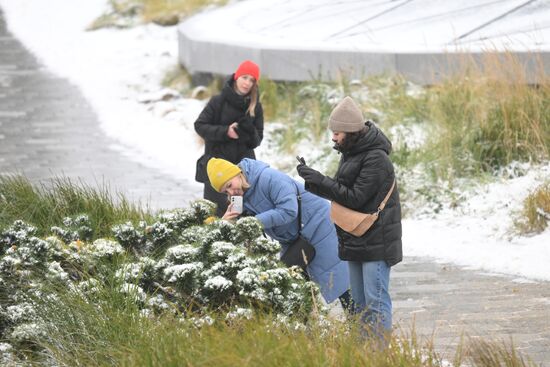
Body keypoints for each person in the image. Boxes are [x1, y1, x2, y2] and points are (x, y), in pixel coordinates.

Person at [296, 96, 402, 343]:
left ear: (351, 131)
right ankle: (362, 351)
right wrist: (313, 180)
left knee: (376, 301)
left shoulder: (376, 158)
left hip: (376, 239)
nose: (333, 137)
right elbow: (341, 192)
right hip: (354, 237)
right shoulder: (351, 153)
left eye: (337, 132)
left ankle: (379, 355)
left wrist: (319, 180)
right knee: (360, 303)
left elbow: (355, 198)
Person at [206, 157, 352, 309]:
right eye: (225, 191)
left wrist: (253, 222)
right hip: (295, 240)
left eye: (230, 185)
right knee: (291, 289)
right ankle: (305, 327)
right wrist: (226, 221)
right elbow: (242, 224)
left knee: (341, 282)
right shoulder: (238, 195)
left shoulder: (269, 177)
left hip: (319, 227)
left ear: (238, 173)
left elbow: (288, 210)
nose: (231, 191)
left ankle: (364, 326)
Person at [194, 60, 264, 217]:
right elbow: (200, 125)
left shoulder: (255, 107)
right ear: (236, 77)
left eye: (252, 80)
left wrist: (248, 130)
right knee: (215, 215)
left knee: (238, 214)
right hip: (217, 169)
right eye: (245, 77)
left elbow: (257, 140)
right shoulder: (217, 102)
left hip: (240, 173)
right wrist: (226, 131)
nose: (247, 83)